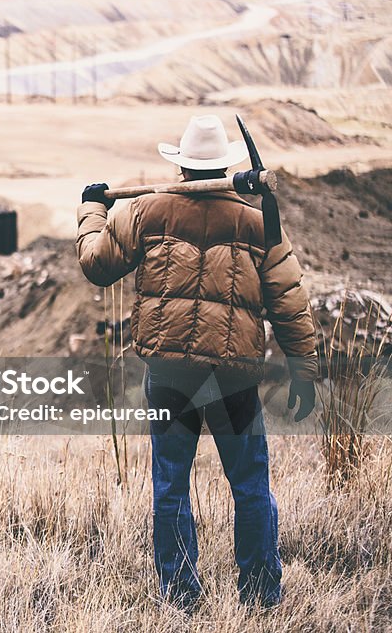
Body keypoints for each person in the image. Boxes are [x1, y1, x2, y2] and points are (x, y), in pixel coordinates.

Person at [75, 114, 319, 611]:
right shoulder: (258, 223)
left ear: (182, 168)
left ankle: (182, 599)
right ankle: (260, 597)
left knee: (171, 484)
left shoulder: (146, 212)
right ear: (226, 165)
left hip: (170, 376)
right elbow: (289, 300)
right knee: (250, 486)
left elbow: (97, 266)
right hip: (233, 377)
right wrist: (304, 369)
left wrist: (91, 210)